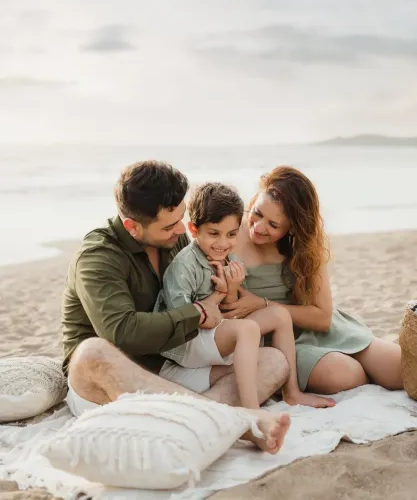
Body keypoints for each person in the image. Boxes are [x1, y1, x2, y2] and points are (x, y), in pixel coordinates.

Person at [61, 161, 291, 454]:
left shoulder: (174, 238)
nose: (182, 230)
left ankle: (198, 420)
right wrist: (197, 312)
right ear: (132, 226)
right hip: (109, 380)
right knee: (92, 352)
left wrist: (227, 291)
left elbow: (212, 297)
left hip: (169, 367)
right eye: (169, 226)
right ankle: (239, 421)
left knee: (273, 361)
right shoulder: (97, 258)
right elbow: (122, 333)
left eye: (181, 218)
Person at [221, 166, 403, 395]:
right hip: (277, 340)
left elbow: (322, 318)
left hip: (317, 327)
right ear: (255, 198)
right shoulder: (228, 234)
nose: (259, 227)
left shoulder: (304, 246)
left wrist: (262, 303)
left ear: (293, 228)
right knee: (345, 374)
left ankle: (372, 371)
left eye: (273, 225)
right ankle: (366, 376)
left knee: (401, 368)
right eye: (257, 213)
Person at [158, 182, 334, 409]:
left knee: (279, 315)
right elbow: (181, 319)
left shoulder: (228, 258)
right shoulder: (185, 265)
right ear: (194, 230)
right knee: (247, 329)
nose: (223, 243)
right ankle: (251, 410)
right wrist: (217, 297)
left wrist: (231, 289)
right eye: (214, 234)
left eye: (231, 234)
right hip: (188, 340)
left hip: (215, 332)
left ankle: (292, 393)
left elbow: (230, 309)